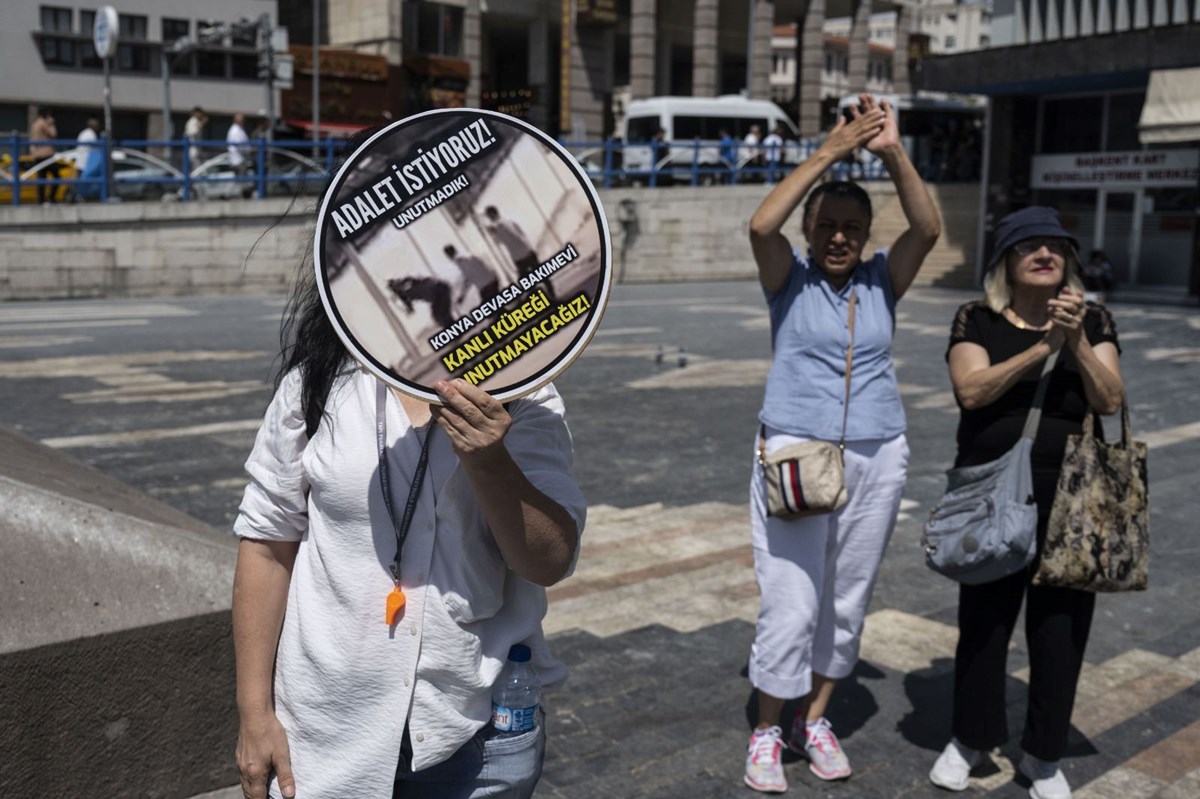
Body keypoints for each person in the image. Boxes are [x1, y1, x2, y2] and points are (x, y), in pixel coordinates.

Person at [232, 238, 587, 797]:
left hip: (476, 740)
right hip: (324, 739)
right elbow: (266, 542)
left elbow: (549, 560)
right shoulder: (319, 384)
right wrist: (255, 714)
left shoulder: (527, 396)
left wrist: (489, 459)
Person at [741, 94, 941, 794]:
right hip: (796, 451)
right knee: (791, 600)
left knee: (846, 600)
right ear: (811, 228)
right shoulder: (787, 282)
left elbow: (928, 225)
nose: (839, 238)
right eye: (827, 225)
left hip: (877, 452)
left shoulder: (882, 280)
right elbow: (760, 224)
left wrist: (889, 150)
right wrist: (829, 151)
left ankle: (813, 718)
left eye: (852, 228)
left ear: (865, 234)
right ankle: (767, 728)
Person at [930, 206, 1123, 799]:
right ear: (1006, 263)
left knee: (1060, 630)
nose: (1045, 254)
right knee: (984, 623)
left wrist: (1077, 344)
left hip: (1073, 496)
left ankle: (1043, 755)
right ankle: (969, 738)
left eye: (1056, 246)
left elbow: (1111, 399)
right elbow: (971, 389)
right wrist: (1043, 348)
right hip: (992, 491)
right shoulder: (978, 318)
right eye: (1029, 246)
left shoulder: (1095, 318)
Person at [443, 244, 501, 308]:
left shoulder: (461, 263)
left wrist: (462, 296)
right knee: (494, 307)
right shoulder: (468, 256)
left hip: (486, 286)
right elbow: (484, 265)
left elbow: (468, 280)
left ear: (448, 256)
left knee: (489, 309)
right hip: (491, 282)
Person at [30, 108, 61, 204]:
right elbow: (53, 134)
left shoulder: (35, 124)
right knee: (57, 177)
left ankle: (41, 200)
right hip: (46, 154)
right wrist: (51, 124)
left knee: (41, 178)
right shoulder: (44, 123)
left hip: (37, 154)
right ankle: (51, 197)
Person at [227, 113, 252, 198]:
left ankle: (228, 194)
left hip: (240, 158)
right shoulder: (235, 130)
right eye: (240, 119)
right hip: (238, 159)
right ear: (235, 120)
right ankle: (242, 195)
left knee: (238, 178)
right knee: (242, 178)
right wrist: (249, 150)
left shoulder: (239, 129)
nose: (242, 121)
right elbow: (240, 145)